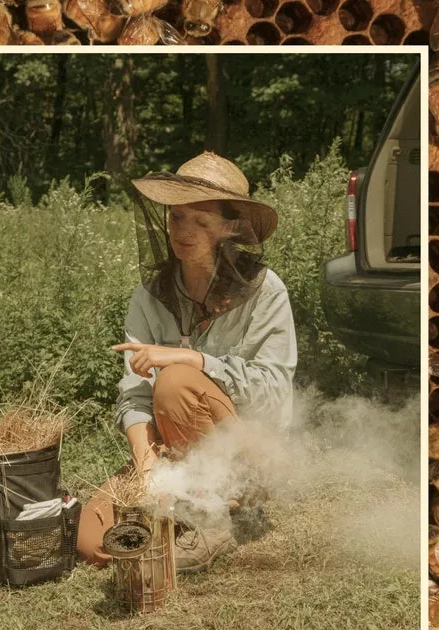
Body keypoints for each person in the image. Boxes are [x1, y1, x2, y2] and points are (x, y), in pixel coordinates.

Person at [76, 151, 298, 573]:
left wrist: (194, 358)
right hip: (173, 451)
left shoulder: (267, 291)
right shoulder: (150, 295)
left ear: (230, 227)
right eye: (177, 218)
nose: (184, 231)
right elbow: (135, 391)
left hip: (248, 456)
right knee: (93, 542)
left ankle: (213, 517)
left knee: (176, 380)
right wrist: (145, 465)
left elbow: (273, 391)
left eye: (201, 221)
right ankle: (175, 502)